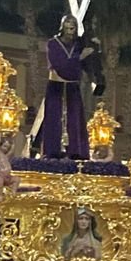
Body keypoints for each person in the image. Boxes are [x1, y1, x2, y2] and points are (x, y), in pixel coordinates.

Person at [42, 15, 94, 160]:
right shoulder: (53, 44)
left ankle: (75, 152)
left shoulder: (78, 45)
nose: (71, 31)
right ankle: (52, 152)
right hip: (56, 87)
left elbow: (86, 66)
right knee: (55, 118)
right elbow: (59, 65)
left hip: (73, 89)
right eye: (68, 27)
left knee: (74, 120)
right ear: (62, 27)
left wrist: (95, 48)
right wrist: (79, 58)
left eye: (73, 28)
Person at [0, 133, 20, 202]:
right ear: (0, 146)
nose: (6, 148)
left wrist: (12, 138)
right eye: (4, 146)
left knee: (16, 179)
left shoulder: (6, 156)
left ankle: (12, 193)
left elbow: (12, 149)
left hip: (7, 177)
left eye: (7, 147)